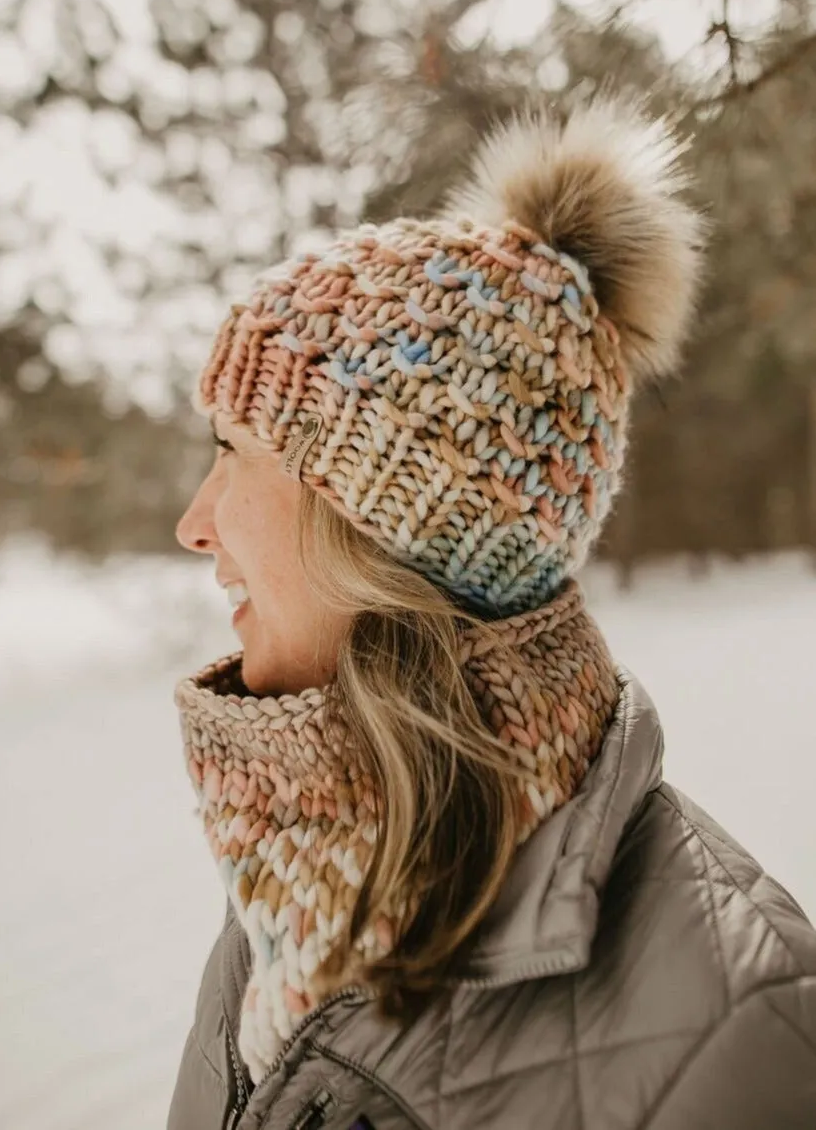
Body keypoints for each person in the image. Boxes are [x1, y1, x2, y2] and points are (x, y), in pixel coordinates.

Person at [168, 96, 816, 1130]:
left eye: (235, 449)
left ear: (384, 524)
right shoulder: (297, 872)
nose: (194, 523)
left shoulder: (747, 1017)